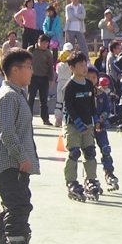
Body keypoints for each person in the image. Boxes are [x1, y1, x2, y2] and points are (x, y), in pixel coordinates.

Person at [0, 48, 51, 244]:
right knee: (19, 206)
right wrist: (21, 156)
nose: (32, 72)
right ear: (15, 70)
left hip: (13, 164)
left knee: (10, 205)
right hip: (8, 164)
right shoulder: (8, 96)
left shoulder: (17, 94)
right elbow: (6, 132)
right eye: (28, 67)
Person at [63, 53, 103, 202]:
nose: (84, 68)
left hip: (88, 124)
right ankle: (71, 182)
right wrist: (78, 123)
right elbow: (69, 107)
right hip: (73, 125)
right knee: (74, 152)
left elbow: (92, 105)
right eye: (80, 65)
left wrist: (96, 120)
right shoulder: (70, 86)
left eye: (85, 64)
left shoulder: (88, 84)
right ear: (72, 68)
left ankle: (90, 179)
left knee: (90, 152)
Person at [28, 34, 54, 125]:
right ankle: (28, 118)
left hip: (44, 78)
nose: (45, 45)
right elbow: (26, 62)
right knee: (30, 99)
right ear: (38, 42)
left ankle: (45, 119)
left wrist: (51, 79)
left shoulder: (48, 53)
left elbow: (50, 67)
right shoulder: (31, 50)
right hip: (32, 77)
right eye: (43, 43)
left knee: (44, 100)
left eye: (47, 43)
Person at [54, 42, 74, 127]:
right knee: (66, 102)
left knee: (59, 102)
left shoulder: (58, 65)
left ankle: (57, 120)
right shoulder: (71, 65)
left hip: (60, 83)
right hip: (68, 83)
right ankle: (64, 120)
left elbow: (57, 72)